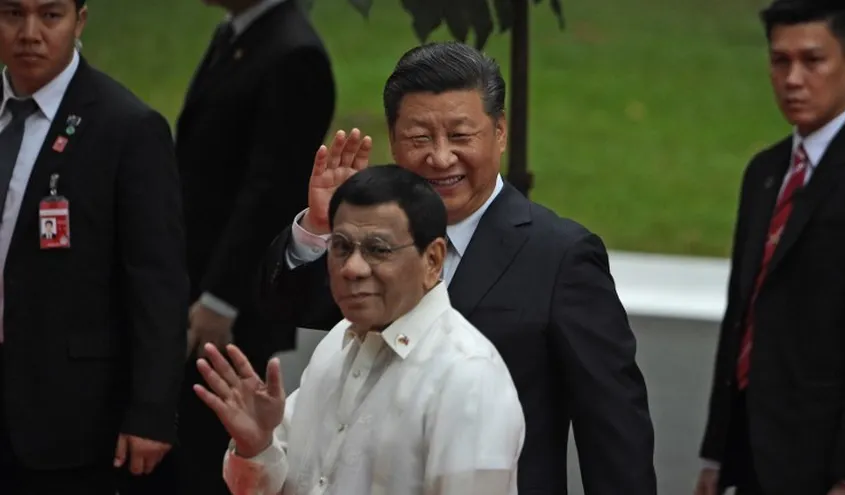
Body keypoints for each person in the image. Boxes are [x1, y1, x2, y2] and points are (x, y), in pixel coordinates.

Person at [258, 42, 656, 494]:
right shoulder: (372, 239)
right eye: (419, 138)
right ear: (394, 140)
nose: (441, 157)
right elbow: (292, 307)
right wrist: (321, 228)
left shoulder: (560, 257)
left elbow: (613, 430)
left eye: (461, 136)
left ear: (500, 133)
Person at [196, 164, 525, 494]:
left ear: (433, 260)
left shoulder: (468, 376)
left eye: (378, 249)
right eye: (341, 247)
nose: (352, 268)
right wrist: (256, 446)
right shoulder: (336, 344)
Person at [0, 0, 189, 494]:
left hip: (71, 410)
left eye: (50, 16)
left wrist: (151, 410)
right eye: (12, 14)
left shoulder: (126, 128)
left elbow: (158, 282)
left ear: (80, 20)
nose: (29, 33)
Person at [694, 1, 845, 494]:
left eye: (812, 61)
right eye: (780, 61)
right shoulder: (765, 172)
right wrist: (716, 453)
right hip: (754, 453)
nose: (793, 79)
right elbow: (742, 315)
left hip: (831, 463)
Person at [173, 0, 335, 492]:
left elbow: (271, 190)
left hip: (233, 303)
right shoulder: (238, 34)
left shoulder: (293, 54)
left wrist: (221, 298)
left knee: (212, 455)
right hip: (197, 282)